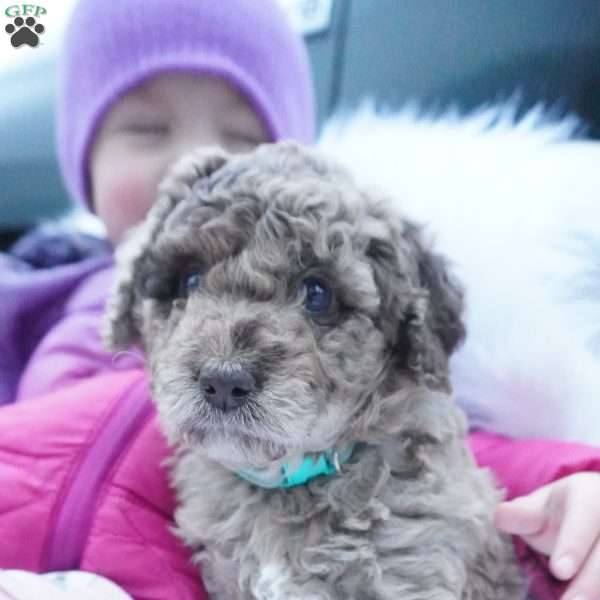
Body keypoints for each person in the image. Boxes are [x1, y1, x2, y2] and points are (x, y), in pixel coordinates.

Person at [0, 0, 598, 598]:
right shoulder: (24, 302)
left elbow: (466, 447)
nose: (195, 159)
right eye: (147, 129)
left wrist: (572, 479)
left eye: (315, 297)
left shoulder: (392, 410)